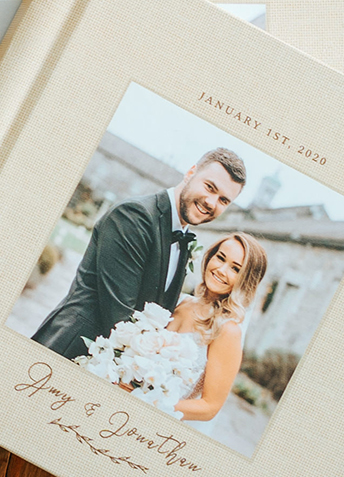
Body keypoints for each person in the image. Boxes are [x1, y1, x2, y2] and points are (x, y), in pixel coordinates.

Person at [30, 148, 248, 359]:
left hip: (114, 366)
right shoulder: (134, 217)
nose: (211, 203)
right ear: (190, 173)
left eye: (224, 200)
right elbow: (120, 316)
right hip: (69, 350)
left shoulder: (183, 239)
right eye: (210, 187)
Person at [75, 232, 270, 422]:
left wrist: (144, 401)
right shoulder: (180, 301)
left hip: (152, 420)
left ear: (246, 281)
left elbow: (209, 407)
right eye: (220, 258)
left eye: (235, 269)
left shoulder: (227, 331)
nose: (221, 270)